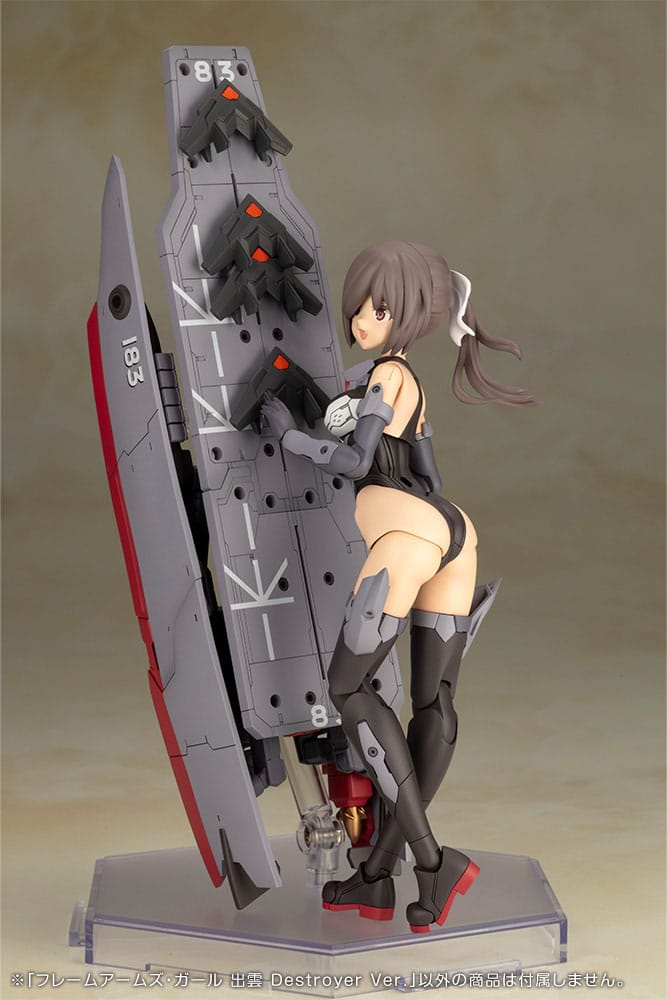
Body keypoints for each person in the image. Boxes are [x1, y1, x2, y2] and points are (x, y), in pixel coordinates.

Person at [262, 241, 537, 932]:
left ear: (407, 314)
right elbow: (431, 477)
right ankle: (378, 875)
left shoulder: (385, 376)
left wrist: (290, 438)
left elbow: (357, 461)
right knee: (433, 702)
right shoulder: (405, 381)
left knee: (348, 688)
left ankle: (432, 859)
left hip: (406, 536)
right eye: (358, 307)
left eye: (377, 309)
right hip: (452, 531)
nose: (360, 319)